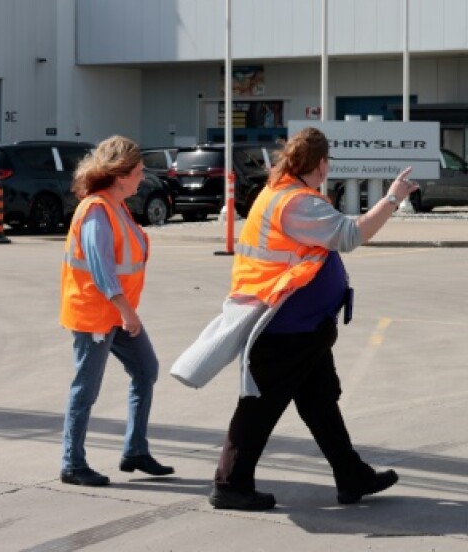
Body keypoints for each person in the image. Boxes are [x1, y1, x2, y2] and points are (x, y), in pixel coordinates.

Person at [179, 126, 420, 511]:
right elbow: (351, 235)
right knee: (260, 405)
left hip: (299, 323)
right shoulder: (298, 203)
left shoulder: (279, 194)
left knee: (320, 400)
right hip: (285, 325)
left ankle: (351, 476)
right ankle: (230, 483)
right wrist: (392, 198)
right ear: (322, 165)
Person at [59, 135, 176, 487]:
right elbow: (102, 268)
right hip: (97, 314)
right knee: (86, 388)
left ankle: (135, 450)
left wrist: (125, 311)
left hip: (115, 313)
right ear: (120, 174)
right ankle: (72, 463)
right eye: (139, 171)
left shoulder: (116, 206)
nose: (143, 177)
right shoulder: (96, 209)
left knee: (146, 370)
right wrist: (127, 311)